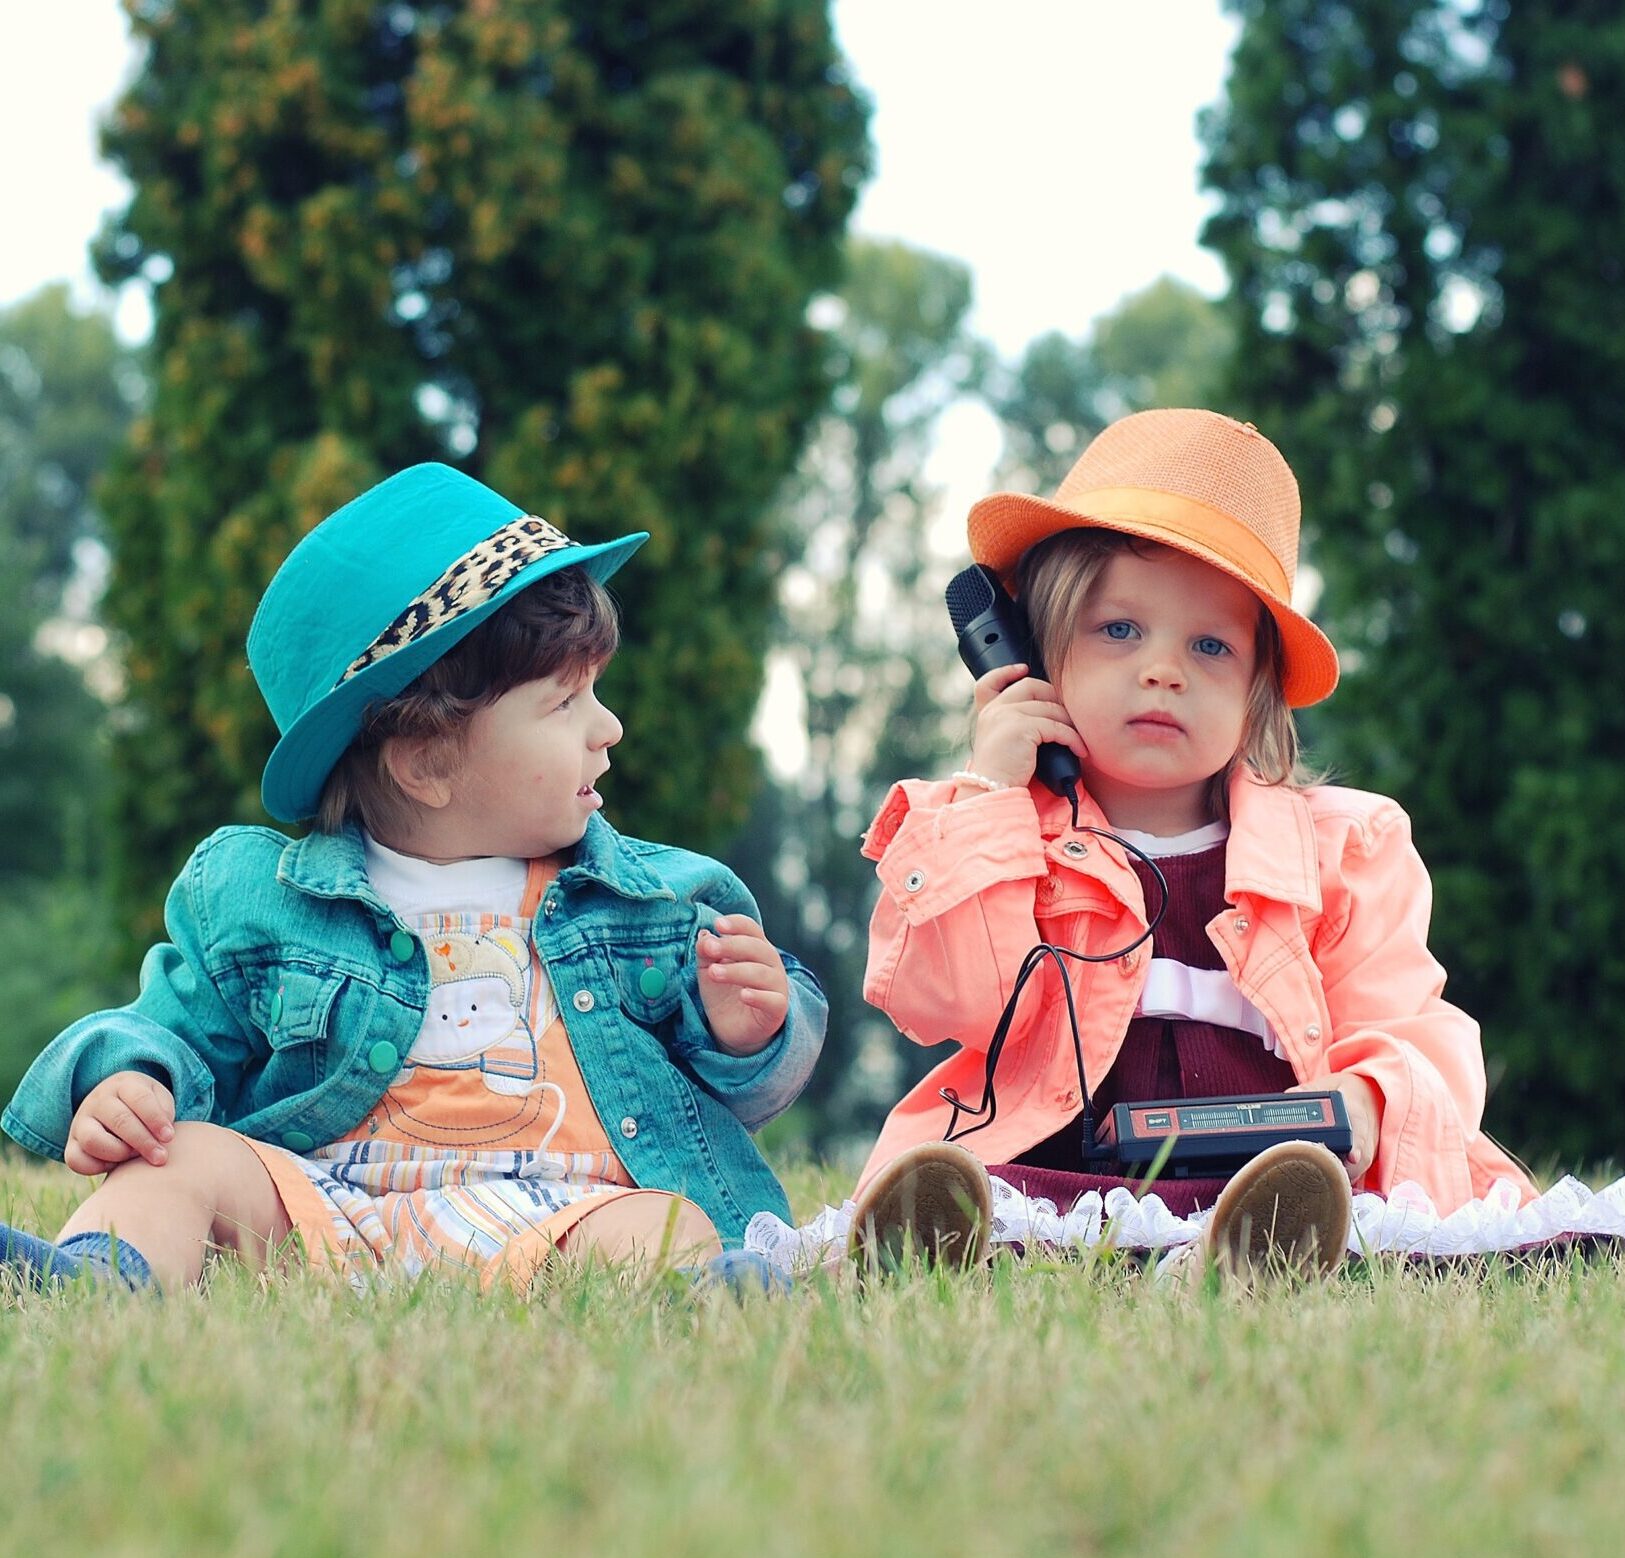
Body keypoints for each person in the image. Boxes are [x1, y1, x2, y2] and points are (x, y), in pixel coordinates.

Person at [1, 464, 823, 1295]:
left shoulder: (647, 901)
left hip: (563, 1214)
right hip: (325, 1213)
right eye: (564, 702)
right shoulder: (262, 900)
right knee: (182, 1157)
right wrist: (127, 1081)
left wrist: (748, 1033)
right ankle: (99, 1276)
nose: (608, 728)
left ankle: (708, 1295)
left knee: (663, 1220)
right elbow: (168, 1026)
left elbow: (748, 1091)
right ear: (427, 761)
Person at [848, 409, 1534, 1278]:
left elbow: (1411, 1023)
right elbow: (941, 998)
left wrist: (1362, 1100)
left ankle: (1251, 1254)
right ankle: (953, 1240)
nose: (1163, 670)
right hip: (1065, 1171)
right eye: (1119, 630)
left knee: (1341, 1215)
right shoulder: (994, 827)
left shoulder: (1341, 850)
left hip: (1270, 1177)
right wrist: (991, 798)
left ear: (1257, 691)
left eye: (1210, 644)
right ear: (1030, 655)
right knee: (1004, 1206)